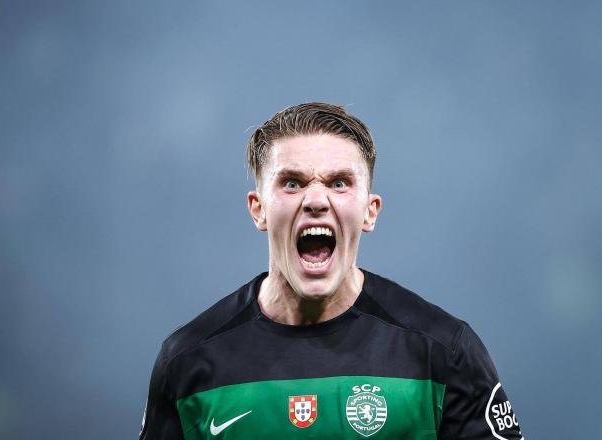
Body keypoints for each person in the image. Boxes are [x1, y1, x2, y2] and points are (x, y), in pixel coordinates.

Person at [140, 103, 524, 439]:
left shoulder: (444, 353)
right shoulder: (189, 361)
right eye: (292, 183)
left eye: (339, 183)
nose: (316, 201)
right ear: (258, 209)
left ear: (370, 210)